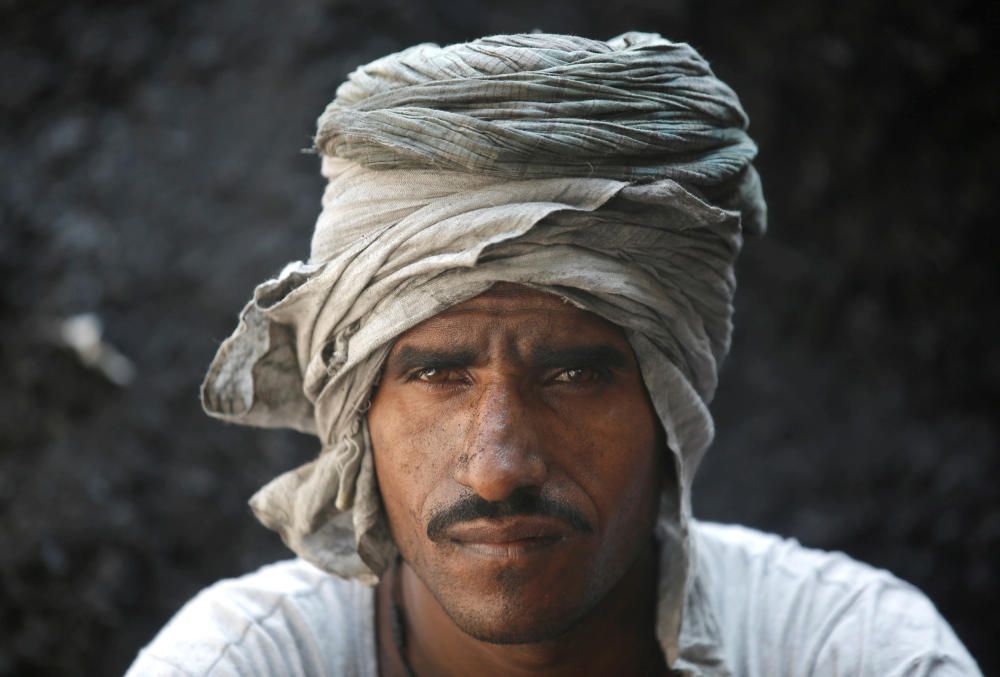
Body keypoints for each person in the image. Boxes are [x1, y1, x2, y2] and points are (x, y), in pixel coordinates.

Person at [126, 33, 980, 676]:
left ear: (670, 403)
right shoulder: (235, 662)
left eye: (574, 375)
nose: (498, 466)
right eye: (436, 375)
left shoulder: (856, 650)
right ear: (356, 417)